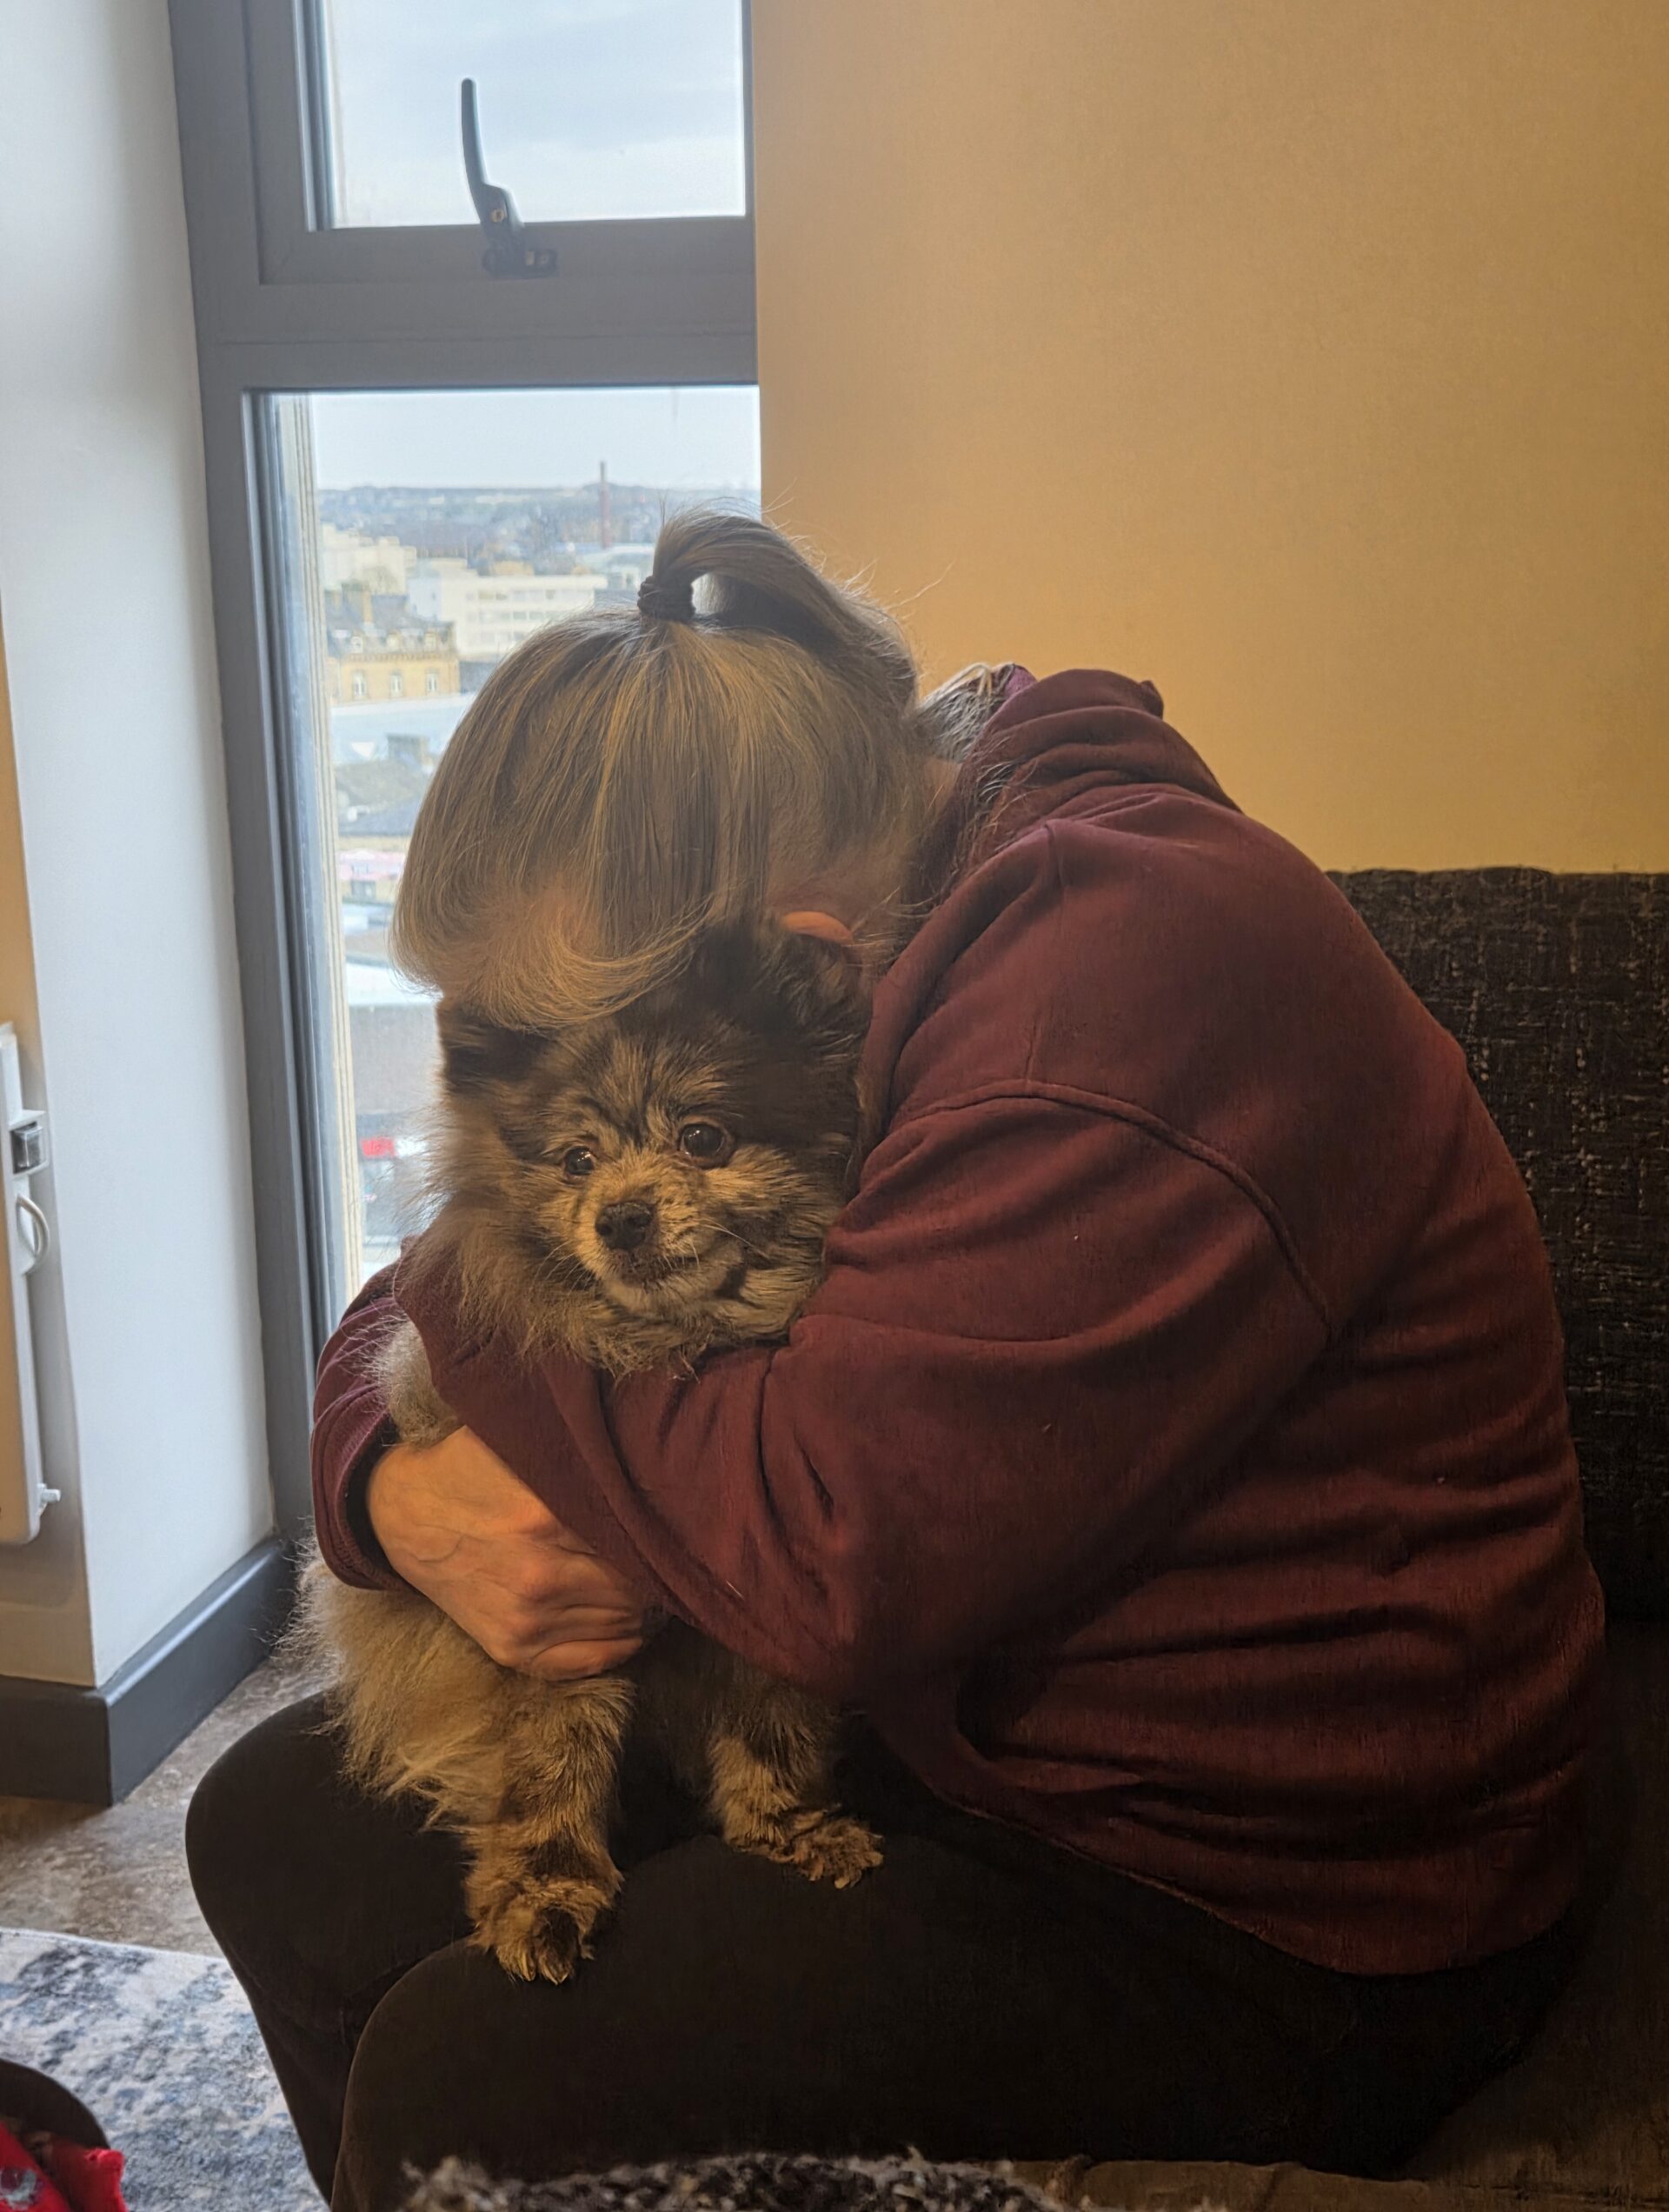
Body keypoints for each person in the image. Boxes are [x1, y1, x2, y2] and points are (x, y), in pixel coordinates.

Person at [188, 515, 1604, 2212]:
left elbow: (818, 1553)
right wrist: (385, 1485)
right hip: (959, 1713)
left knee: (468, 2082)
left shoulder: (1116, 990)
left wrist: (465, 1331)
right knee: (269, 1836)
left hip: (1268, 1886)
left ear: (798, 963)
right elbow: (486, 1239)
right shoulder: (896, 896)